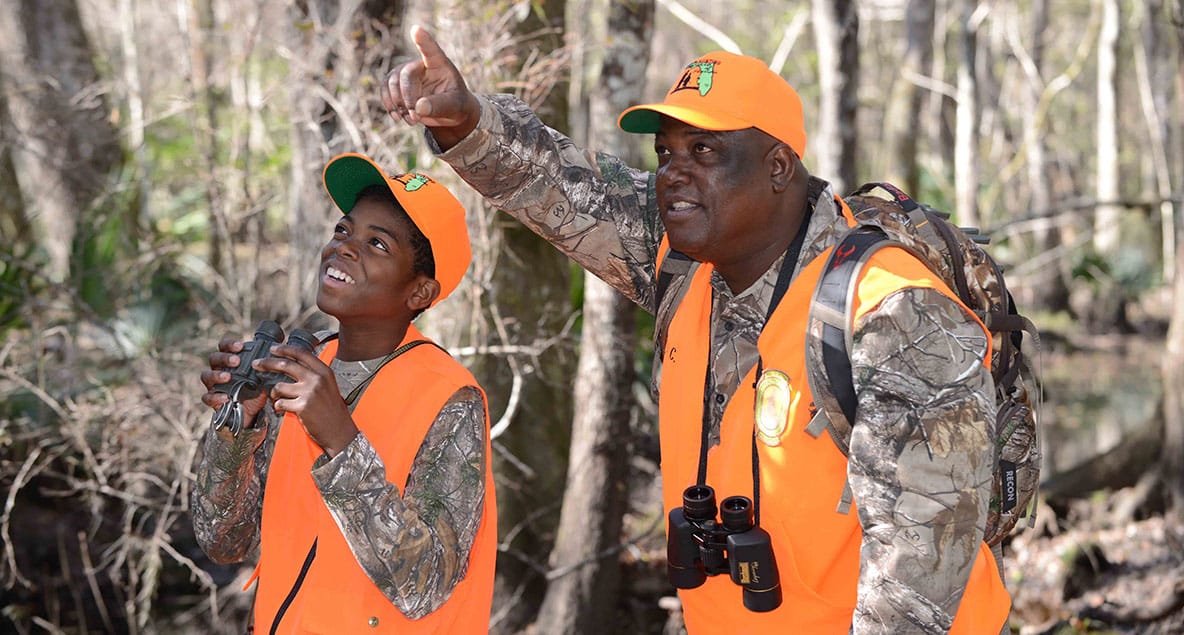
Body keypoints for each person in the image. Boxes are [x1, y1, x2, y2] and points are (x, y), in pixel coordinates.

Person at [381, 25, 1011, 634]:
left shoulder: (894, 315)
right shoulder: (683, 264)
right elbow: (561, 185)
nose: (672, 172)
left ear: (778, 168)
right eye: (665, 154)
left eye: (705, 151)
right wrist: (464, 120)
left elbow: (918, 578)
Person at [191, 152, 496, 634]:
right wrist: (237, 426)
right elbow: (223, 541)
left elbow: (425, 583)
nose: (345, 248)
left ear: (419, 293)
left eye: (377, 243)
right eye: (343, 231)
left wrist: (341, 442)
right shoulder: (300, 368)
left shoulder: (450, 397)